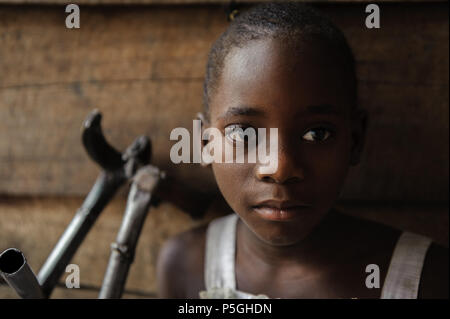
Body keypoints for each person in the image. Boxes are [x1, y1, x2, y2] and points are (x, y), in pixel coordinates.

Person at [155, 2, 448, 299]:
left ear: (355, 140)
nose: (280, 167)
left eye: (317, 133)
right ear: (205, 145)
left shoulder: (426, 279)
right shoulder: (187, 268)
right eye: (243, 132)